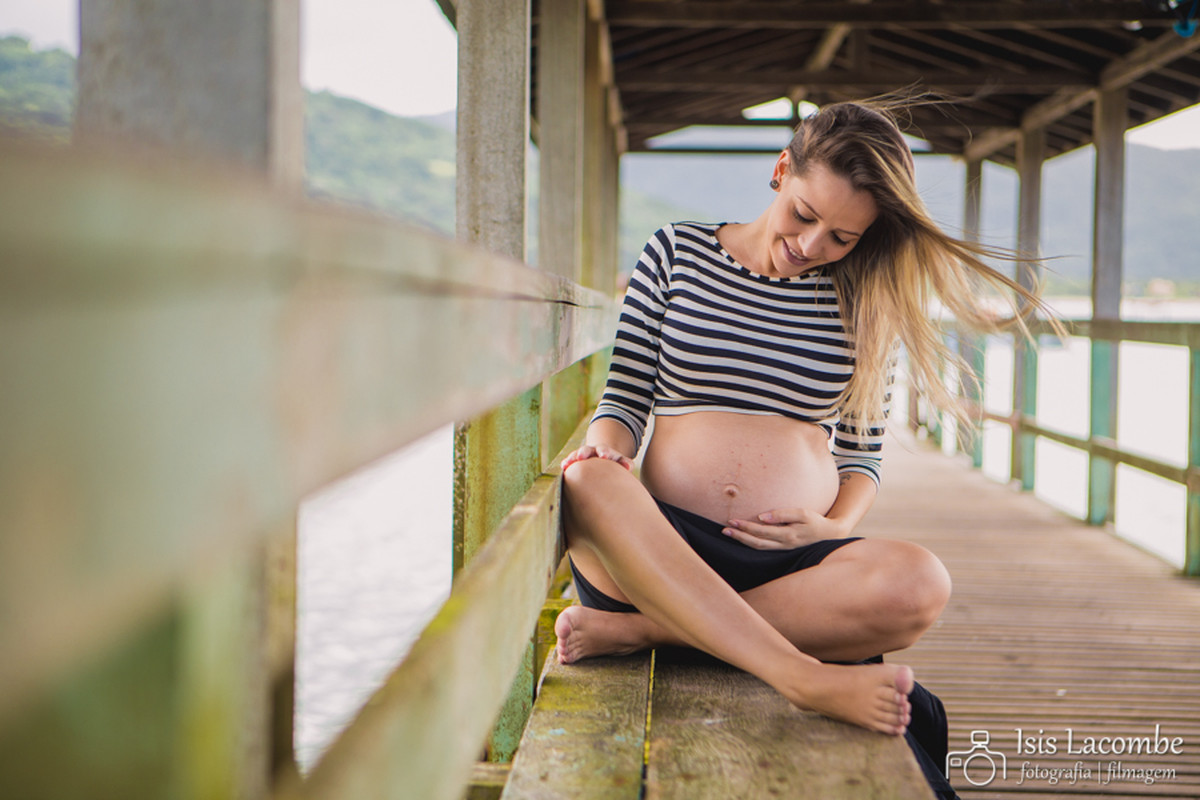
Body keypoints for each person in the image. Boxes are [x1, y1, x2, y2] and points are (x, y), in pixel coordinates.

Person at [553, 100, 1050, 798]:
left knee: (921, 580)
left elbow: (862, 455)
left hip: (786, 563)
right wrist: (607, 451)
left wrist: (836, 528)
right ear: (782, 170)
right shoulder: (676, 250)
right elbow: (625, 396)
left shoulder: (863, 297)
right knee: (586, 482)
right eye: (805, 215)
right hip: (664, 551)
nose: (814, 245)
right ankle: (801, 675)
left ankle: (646, 632)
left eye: (843, 236)